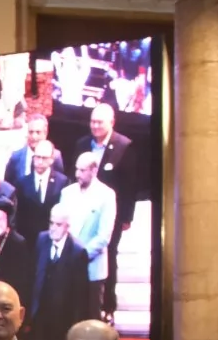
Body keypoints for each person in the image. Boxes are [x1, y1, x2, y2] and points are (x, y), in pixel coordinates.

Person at [76, 103, 138, 315]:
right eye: (92, 121)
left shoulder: (124, 146)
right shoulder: (82, 144)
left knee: (108, 255)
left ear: (111, 122)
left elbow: (129, 186)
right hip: (84, 213)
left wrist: (127, 217)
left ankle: (108, 305)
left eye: (99, 122)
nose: (95, 126)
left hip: (112, 214)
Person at [29, 205, 95, 340]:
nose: (53, 228)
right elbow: (34, 277)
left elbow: (81, 296)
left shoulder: (78, 252)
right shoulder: (42, 240)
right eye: (51, 223)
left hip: (63, 319)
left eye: (58, 225)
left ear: (67, 227)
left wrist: (76, 328)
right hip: (40, 316)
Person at [60, 150, 119, 306]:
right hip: (67, 268)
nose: (77, 174)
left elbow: (104, 236)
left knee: (91, 314)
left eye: (82, 170)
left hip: (92, 269)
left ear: (94, 171)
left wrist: (81, 256)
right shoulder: (67, 193)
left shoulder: (106, 195)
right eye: (76, 169)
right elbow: (60, 226)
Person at [15, 139, 66, 243]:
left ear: (51, 159)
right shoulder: (22, 183)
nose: (40, 162)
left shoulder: (62, 182)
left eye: (44, 158)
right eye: (37, 157)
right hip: (28, 240)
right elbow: (18, 216)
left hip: (52, 239)